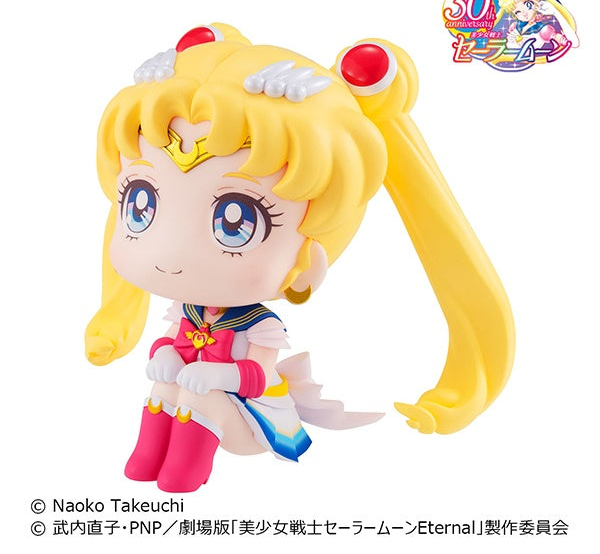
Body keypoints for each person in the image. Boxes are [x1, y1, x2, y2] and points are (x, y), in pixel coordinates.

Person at [85, 24, 514, 492]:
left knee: (195, 400)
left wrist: (214, 373)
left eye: (235, 221)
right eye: (140, 203)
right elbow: (173, 341)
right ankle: (148, 458)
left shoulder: (259, 327)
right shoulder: (185, 311)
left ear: (309, 260)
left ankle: (185, 471)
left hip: (250, 415)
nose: (170, 252)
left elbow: (256, 375)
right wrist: (165, 353)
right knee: (163, 391)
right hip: (199, 390)